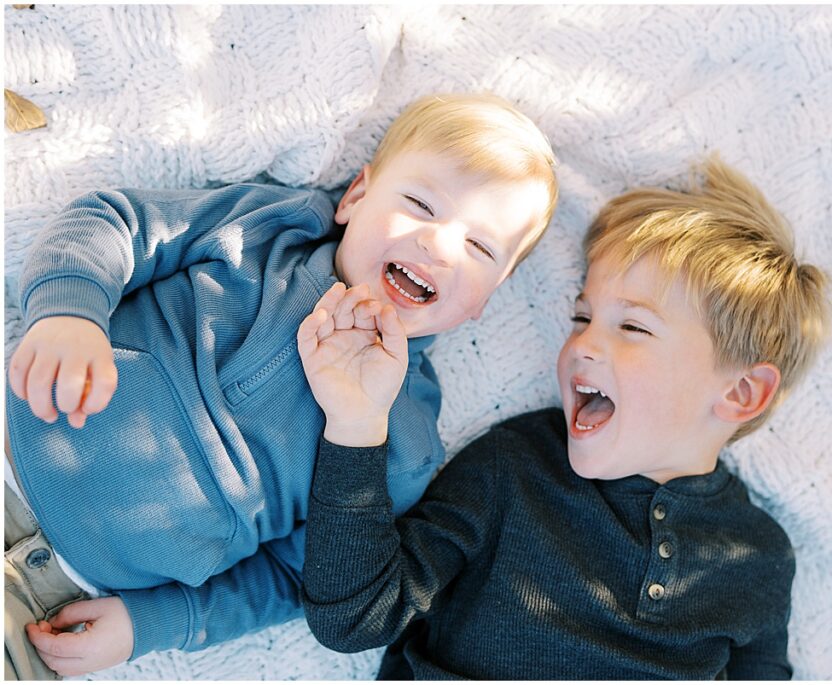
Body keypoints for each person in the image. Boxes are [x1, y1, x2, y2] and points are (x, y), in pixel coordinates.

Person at [4, 92, 558, 679]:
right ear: (356, 197)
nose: (439, 245)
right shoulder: (270, 230)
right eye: (421, 204)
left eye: (479, 247)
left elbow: (294, 574)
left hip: (56, 597)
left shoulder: (405, 441)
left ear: (486, 300)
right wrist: (68, 314)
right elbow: (120, 222)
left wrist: (160, 622)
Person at [299, 156, 832, 679]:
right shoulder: (517, 468)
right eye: (582, 316)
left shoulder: (755, 559)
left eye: (634, 328)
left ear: (741, 392)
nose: (583, 343)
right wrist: (356, 425)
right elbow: (354, 616)